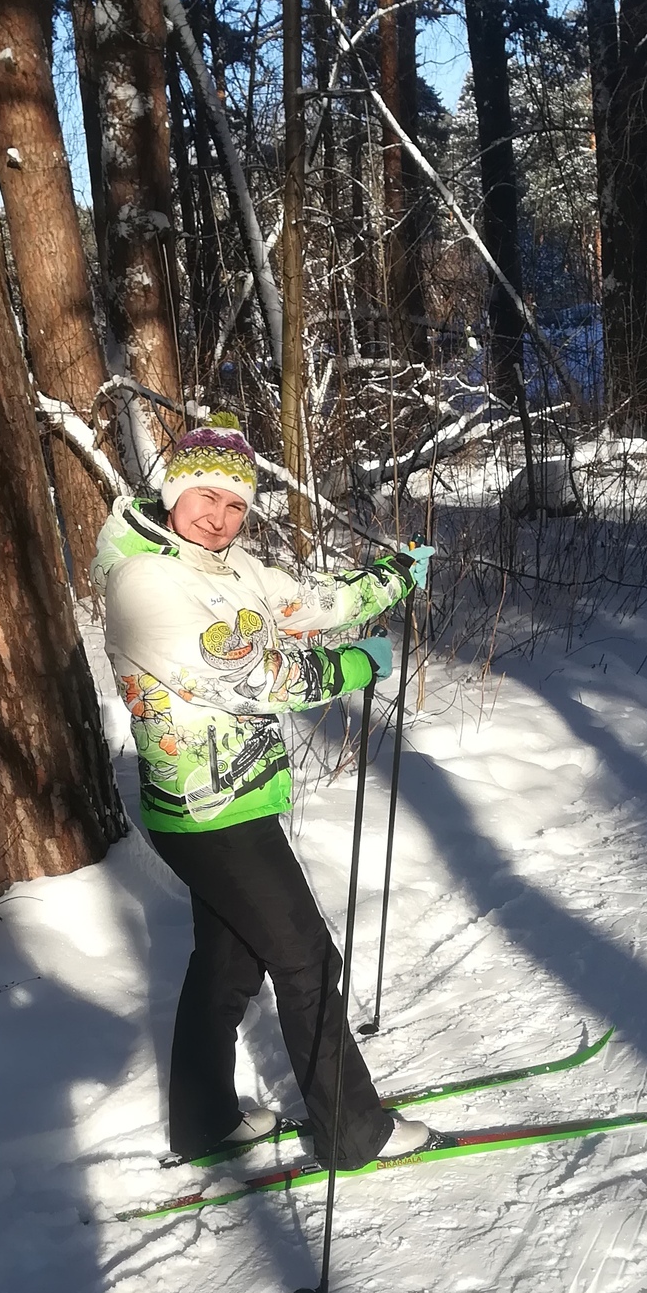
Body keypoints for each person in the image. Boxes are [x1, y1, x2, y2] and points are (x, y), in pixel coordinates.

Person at [94, 411, 432, 1171]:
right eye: (205, 498)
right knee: (307, 959)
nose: (219, 518)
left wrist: (388, 578)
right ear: (173, 491)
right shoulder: (145, 581)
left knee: (231, 959)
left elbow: (309, 604)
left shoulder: (231, 567)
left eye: (236, 506)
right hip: (203, 808)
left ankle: (204, 1120)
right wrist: (351, 668)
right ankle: (353, 1132)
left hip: (236, 794)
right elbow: (247, 676)